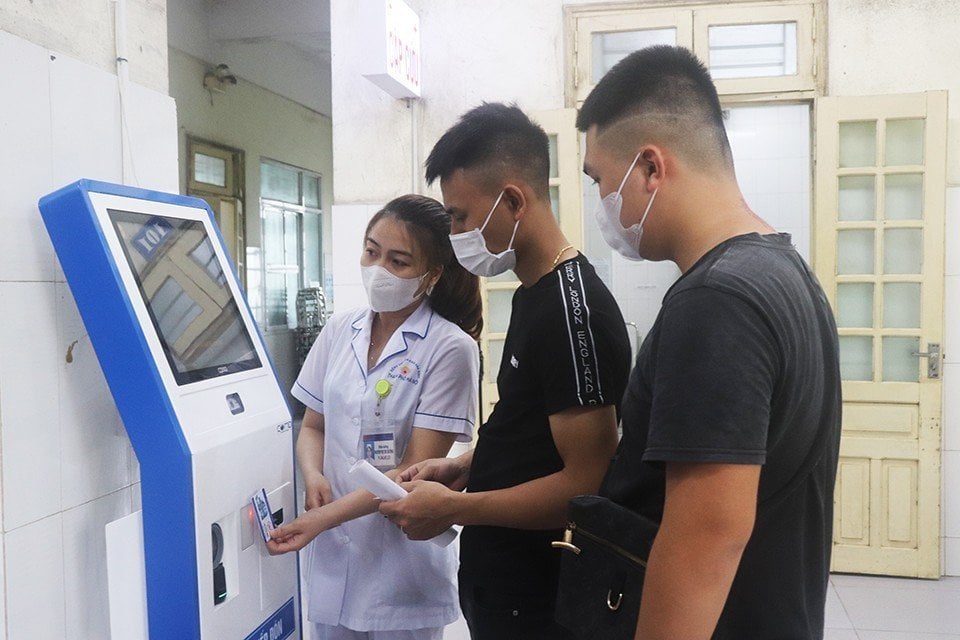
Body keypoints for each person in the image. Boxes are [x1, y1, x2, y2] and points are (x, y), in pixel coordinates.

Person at [576, 45, 842, 639]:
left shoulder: (716, 301)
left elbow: (707, 538)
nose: (600, 203)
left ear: (650, 167)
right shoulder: (784, 271)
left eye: (598, 179)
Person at [379, 103, 632, 640]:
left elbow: (586, 481)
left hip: (540, 598)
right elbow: (530, 433)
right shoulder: (533, 296)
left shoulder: (572, 312)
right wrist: (463, 467)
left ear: (513, 200)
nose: (456, 233)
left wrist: (457, 508)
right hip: (502, 586)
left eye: (461, 217)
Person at [266, 194, 482, 640]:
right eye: (371, 251)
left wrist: (319, 521)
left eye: (399, 261)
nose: (379, 269)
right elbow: (313, 425)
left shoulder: (449, 347)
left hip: (400, 568)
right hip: (334, 563)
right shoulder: (340, 329)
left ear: (432, 275)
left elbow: (410, 472)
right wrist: (313, 475)